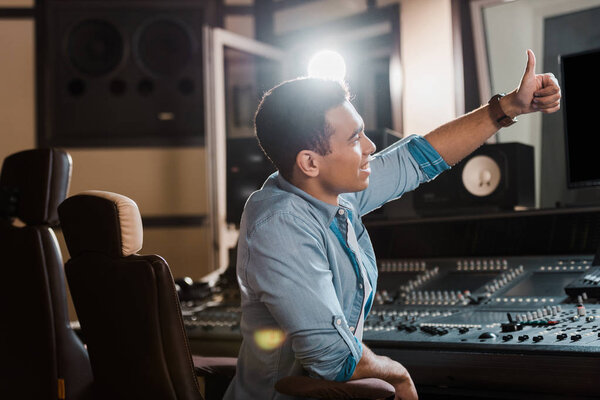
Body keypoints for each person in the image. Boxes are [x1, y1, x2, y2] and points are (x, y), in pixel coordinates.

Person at [223, 49, 560, 400]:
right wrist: (398, 374)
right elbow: (332, 358)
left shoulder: (330, 193)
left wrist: (508, 108)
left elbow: (416, 159)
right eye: (354, 139)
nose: (370, 147)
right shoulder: (280, 224)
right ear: (310, 162)